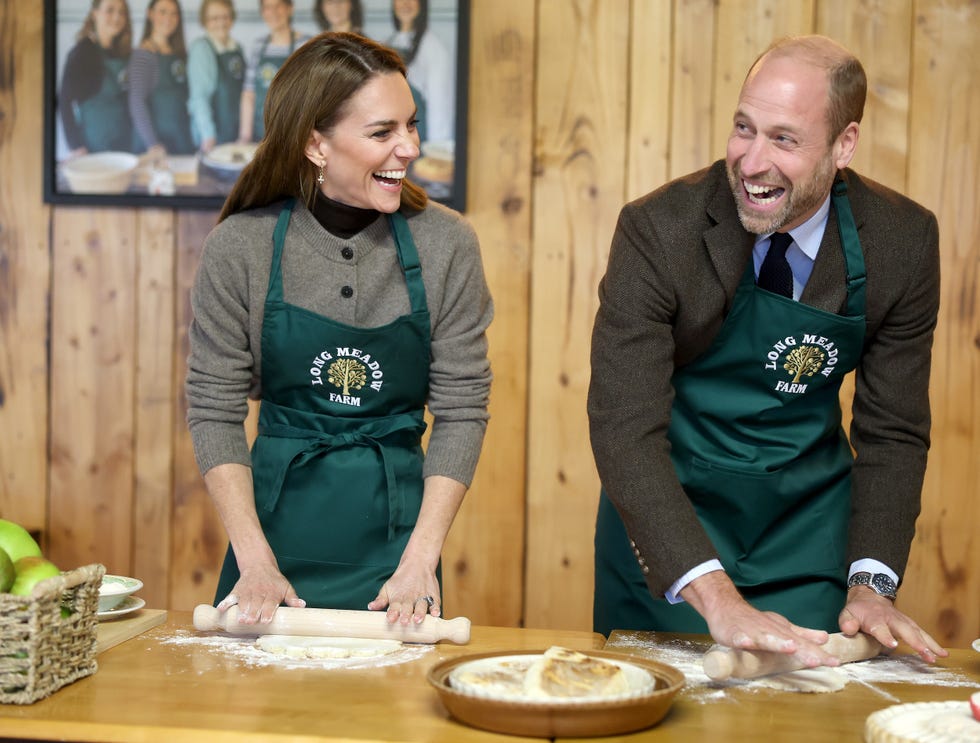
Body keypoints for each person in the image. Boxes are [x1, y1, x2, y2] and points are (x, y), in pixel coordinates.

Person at [588, 35, 947, 668]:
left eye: (784, 139)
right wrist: (715, 594)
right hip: (675, 529)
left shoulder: (902, 241)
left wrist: (873, 584)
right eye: (744, 128)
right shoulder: (658, 230)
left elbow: (893, 433)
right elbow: (624, 428)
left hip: (805, 533)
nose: (753, 162)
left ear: (845, 145)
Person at [186, 32, 493, 626]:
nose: (408, 148)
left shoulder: (447, 244)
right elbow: (214, 407)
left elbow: (463, 408)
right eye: (383, 133)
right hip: (268, 547)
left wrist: (419, 560)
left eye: (411, 125)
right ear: (315, 144)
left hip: (399, 549)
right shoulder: (241, 248)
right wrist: (254, 560)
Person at [58, 0, 134, 157]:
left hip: (125, 145)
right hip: (95, 147)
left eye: (121, 12)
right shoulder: (82, 52)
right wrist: (76, 145)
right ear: (95, 14)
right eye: (110, 10)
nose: (116, 17)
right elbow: (64, 101)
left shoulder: (124, 54)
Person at [128, 0, 195, 156]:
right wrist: (153, 144)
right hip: (157, 147)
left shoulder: (178, 53)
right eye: (163, 12)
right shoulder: (144, 54)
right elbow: (136, 103)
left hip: (180, 139)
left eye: (174, 13)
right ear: (150, 14)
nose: (169, 18)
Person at [238, 0, 310, 143]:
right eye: (268, 7)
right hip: (261, 134)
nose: (274, 12)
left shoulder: (305, 44)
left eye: (279, 6)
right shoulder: (259, 45)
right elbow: (249, 93)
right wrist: (245, 136)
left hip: (293, 136)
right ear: (263, 12)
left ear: (290, 9)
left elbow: (311, 96)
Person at [386, 0, 454, 144]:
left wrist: (435, 152)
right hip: (391, 141)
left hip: (417, 145)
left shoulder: (434, 49)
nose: (405, 3)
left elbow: (440, 107)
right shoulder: (390, 43)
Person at [187, 0, 245, 153]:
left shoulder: (237, 48)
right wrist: (208, 135)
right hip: (213, 137)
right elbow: (199, 98)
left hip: (236, 133)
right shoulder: (201, 48)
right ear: (204, 21)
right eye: (214, 18)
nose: (221, 22)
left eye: (225, 16)